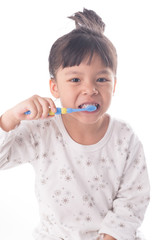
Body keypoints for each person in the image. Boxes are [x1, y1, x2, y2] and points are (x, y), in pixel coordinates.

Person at [0, 8, 150, 240]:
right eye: (75, 79)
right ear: (54, 88)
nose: (90, 89)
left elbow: (133, 199)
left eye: (101, 79)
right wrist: (9, 118)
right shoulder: (42, 130)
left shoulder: (125, 137)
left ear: (114, 85)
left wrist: (110, 236)